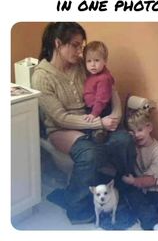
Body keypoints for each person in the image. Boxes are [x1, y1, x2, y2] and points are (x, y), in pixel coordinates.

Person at [31, 22, 137, 224]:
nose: (81, 51)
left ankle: (122, 190)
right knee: (89, 153)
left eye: (82, 45)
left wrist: (115, 115)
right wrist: (100, 124)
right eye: (76, 45)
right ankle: (77, 206)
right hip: (62, 128)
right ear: (58, 43)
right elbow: (60, 117)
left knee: (123, 140)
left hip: (93, 120)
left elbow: (109, 87)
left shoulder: (82, 64)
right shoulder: (42, 76)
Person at [83, 41, 114, 142]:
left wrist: (94, 114)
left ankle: (99, 134)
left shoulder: (103, 78)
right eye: (89, 61)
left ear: (105, 61)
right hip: (92, 107)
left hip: (99, 109)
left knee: (92, 126)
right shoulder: (93, 75)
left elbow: (101, 98)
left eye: (96, 60)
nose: (92, 65)